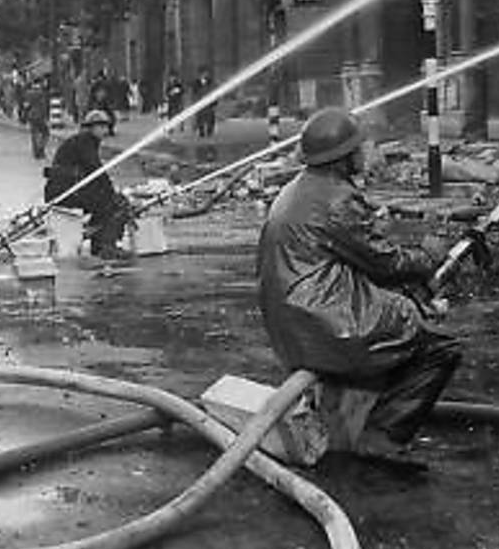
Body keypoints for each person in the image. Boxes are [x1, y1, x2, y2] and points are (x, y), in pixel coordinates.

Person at [256, 107, 461, 467]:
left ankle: (349, 421)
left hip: (291, 327)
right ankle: (381, 437)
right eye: (360, 147)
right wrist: (429, 256)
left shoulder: (298, 189)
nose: (366, 153)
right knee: (439, 347)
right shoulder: (338, 198)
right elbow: (385, 264)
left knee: (400, 316)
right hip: (326, 328)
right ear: (343, 157)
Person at [44, 109, 133, 259]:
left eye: (106, 127)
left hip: (65, 190)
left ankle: (99, 244)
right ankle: (107, 246)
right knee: (118, 204)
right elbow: (95, 169)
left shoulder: (83, 140)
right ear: (92, 128)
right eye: (102, 127)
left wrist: (107, 190)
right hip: (66, 193)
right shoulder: (85, 142)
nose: (105, 131)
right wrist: (111, 191)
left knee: (105, 202)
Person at [24, 82, 50, 160]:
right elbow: (45, 106)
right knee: (45, 133)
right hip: (40, 116)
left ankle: (36, 151)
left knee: (34, 134)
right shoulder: (42, 94)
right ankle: (41, 149)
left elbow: (26, 106)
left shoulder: (28, 94)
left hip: (32, 115)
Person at [191, 64, 217, 138]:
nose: (205, 74)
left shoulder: (211, 82)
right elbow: (194, 93)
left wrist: (214, 102)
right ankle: (201, 131)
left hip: (209, 103)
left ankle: (210, 131)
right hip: (200, 103)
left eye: (206, 73)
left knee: (210, 117)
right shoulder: (196, 83)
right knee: (200, 118)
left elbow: (214, 91)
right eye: (203, 73)